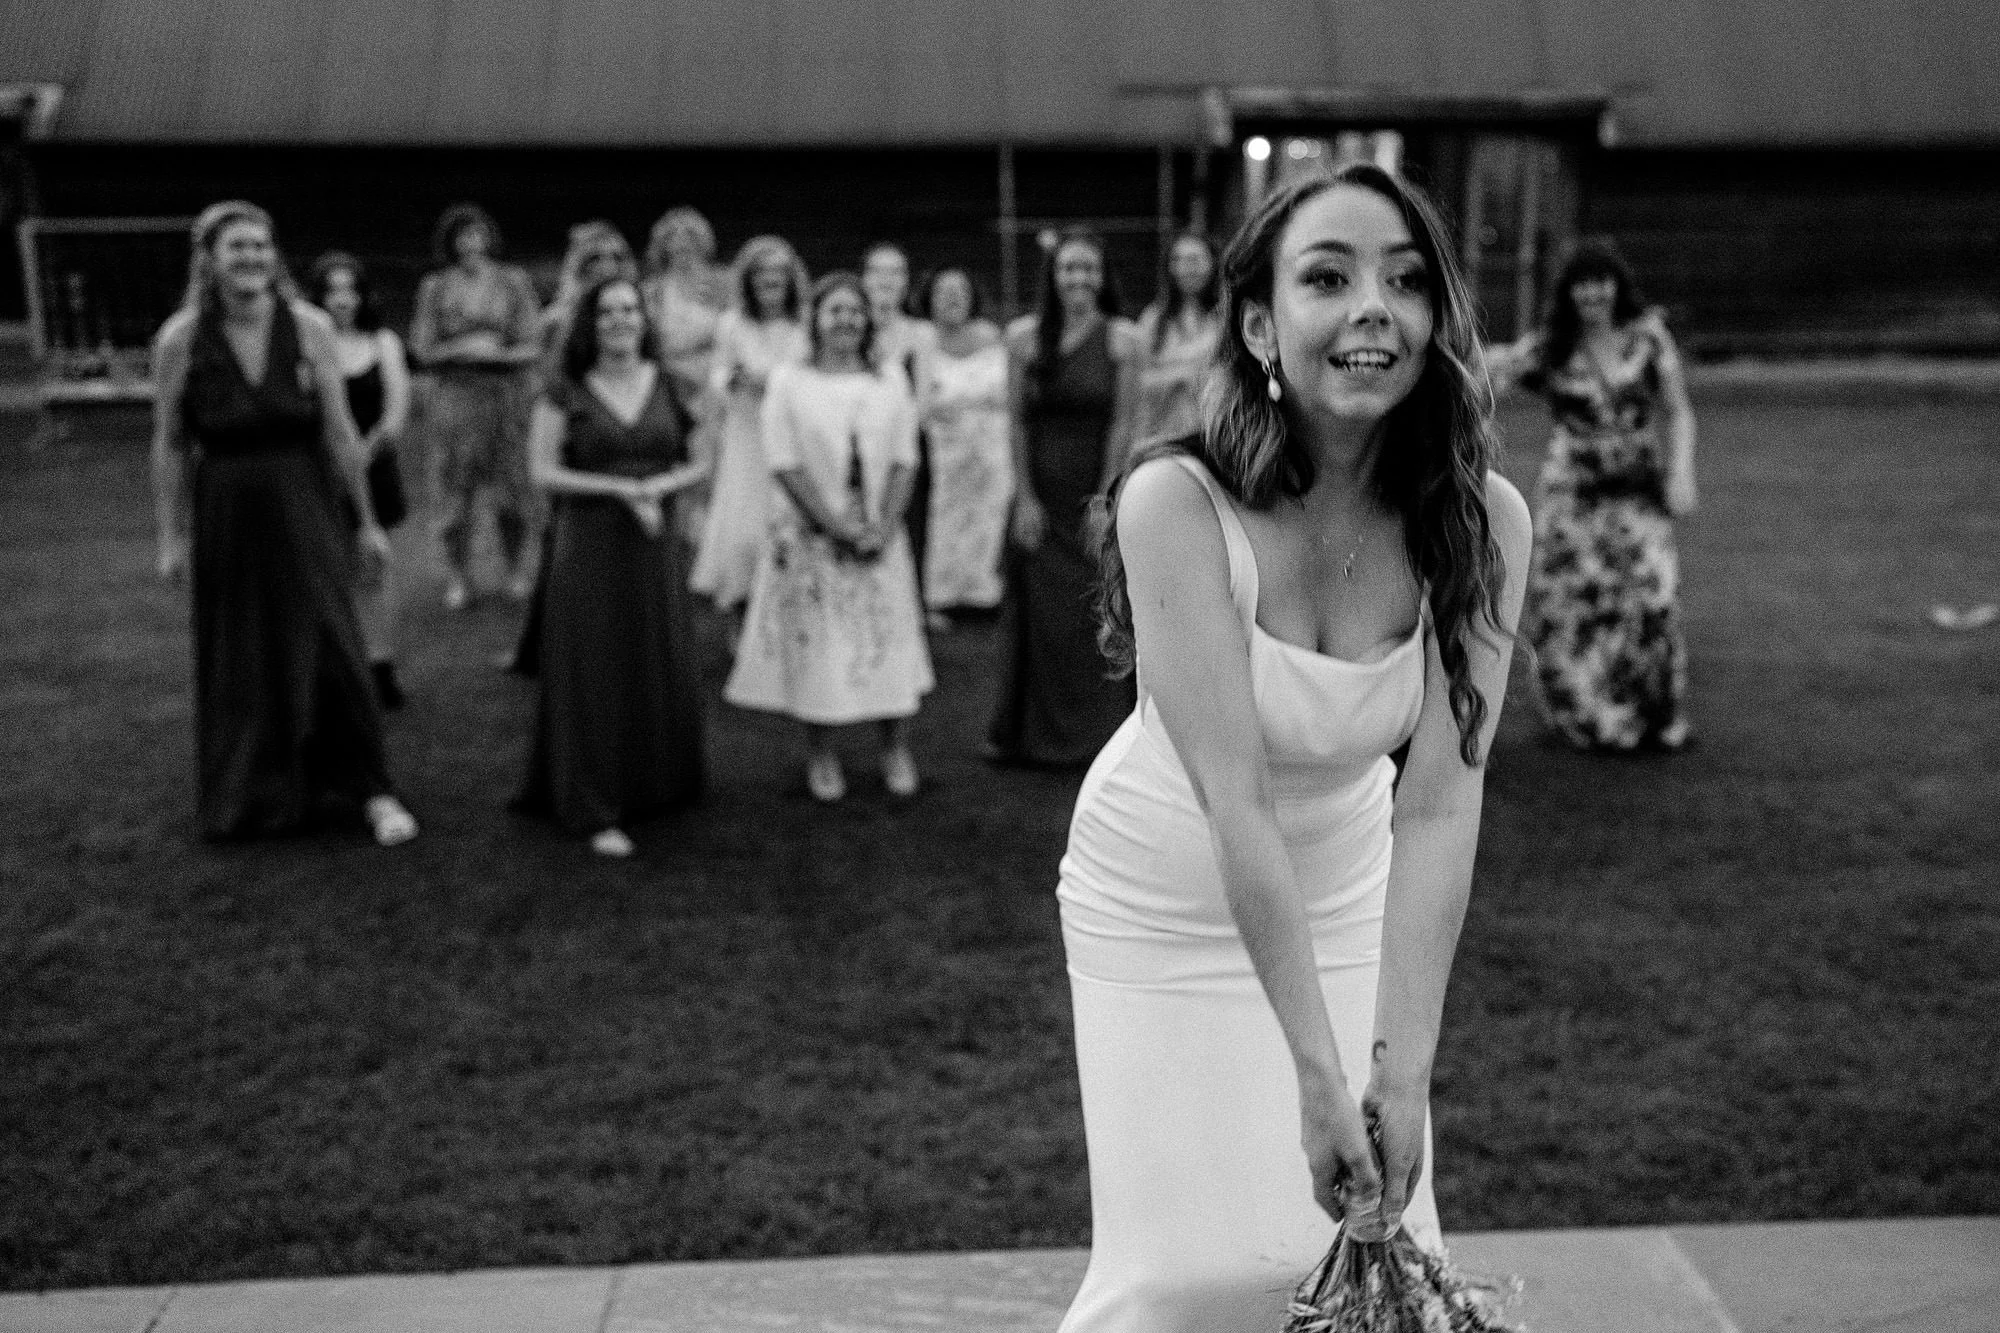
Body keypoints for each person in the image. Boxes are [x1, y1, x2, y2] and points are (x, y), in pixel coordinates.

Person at [1054, 166, 1531, 1329]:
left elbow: (1436, 805)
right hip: (1160, 896)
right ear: (1260, 323)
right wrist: (1316, 1075)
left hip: (1346, 883)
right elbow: (1235, 801)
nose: (1373, 305)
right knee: (1178, 1280)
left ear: (1436, 325)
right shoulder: (1174, 504)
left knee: (1381, 1242)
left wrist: (1397, 1067)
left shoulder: (1484, 523)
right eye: (1329, 276)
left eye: (1405, 281)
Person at [151, 202, 419, 846]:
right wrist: (171, 535)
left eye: (263, 246)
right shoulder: (180, 339)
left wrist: (365, 522)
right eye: (238, 247)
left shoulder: (309, 326)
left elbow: (339, 429)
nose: (253, 258)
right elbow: (167, 441)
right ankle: (257, 791)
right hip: (227, 511)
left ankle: (372, 790)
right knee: (242, 651)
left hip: (306, 504)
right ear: (209, 260)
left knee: (332, 642)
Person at [513, 275, 710, 856]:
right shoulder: (563, 391)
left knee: (655, 656)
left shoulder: (670, 383)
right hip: (590, 544)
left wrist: (658, 486)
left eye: (630, 310)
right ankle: (593, 801)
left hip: (653, 547)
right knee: (593, 667)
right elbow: (542, 474)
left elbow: (702, 458)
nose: (621, 321)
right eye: (607, 312)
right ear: (588, 324)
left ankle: (658, 785)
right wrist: (622, 492)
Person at [724, 273, 933, 803]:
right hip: (811, 537)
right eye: (834, 310)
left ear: (868, 320)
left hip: (880, 533)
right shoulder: (789, 381)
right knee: (820, 649)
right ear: (814, 319)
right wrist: (834, 526)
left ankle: (894, 748)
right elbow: (784, 462)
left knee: (886, 642)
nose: (846, 320)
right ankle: (822, 754)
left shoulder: (890, 378)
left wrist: (884, 525)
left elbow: (907, 458)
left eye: (855, 310)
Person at [1488, 239, 1698, 751]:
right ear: (1569, 294)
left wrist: (1681, 472)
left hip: (1637, 491)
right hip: (1573, 495)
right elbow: (1488, 373)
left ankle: (1651, 716)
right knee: (1572, 604)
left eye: (1601, 283)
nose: (1592, 294)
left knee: (1650, 596)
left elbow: (1679, 410)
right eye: (1582, 285)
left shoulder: (1648, 341)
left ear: (1616, 287)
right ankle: (1586, 718)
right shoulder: (1551, 348)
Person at [985, 229, 1139, 767]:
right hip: (1039, 495)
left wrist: (1105, 501)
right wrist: (1023, 496)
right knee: (1037, 615)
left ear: (1102, 276)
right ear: (1052, 275)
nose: (1079, 278)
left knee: (1089, 613)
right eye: (1069, 268)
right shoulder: (1023, 338)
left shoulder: (1123, 338)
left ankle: (1095, 738)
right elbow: (1016, 423)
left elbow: (1123, 424)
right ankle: (1030, 737)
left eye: (1088, 268)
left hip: (1092, 490)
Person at [506, 221, 639, 678]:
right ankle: (548, 647)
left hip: (618, 437)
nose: (605, 269)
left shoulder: (633, 314)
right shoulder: (558, 320)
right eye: (594, 262)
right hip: (570, 436)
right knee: (560, 544)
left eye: (614, 260)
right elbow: (542, 385)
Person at [408, 202, 542, 611]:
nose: (470, 243)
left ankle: (517, 569)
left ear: (488, 238)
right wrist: (463, 348)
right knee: (454, 494)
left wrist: (498, 355)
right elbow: (422, 349)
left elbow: (532, 343)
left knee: (513, 491)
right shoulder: (436, 287)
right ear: (450, 243)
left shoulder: (512, 282)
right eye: (461, 236)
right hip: (455, 398)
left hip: (505, 397)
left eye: (477, 234)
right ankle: (458, 576)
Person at [307, 251, 414, 710]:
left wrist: (367, 451)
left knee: (376, 568)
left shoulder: (383, 341)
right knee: (327, 570)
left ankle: (380, 665)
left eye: (350, 289)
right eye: (332, 291)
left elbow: (397, 408)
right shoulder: (307, 341)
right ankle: (333, 669)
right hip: (319, 470)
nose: (342, 300)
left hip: (375, 464)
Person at [689, 235, 810, 615]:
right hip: (746, 434)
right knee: (744, 530)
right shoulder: (731, 324)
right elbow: (717, 376)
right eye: (761, 276)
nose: (769, 283)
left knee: (789, 519)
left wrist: (774, 384)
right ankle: (741, 610)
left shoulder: (805, 323)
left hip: (795, 436)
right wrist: (735, 381)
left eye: (778, 275)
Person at [914, 266, 1010, 616]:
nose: (953, 297)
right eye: (944, 291)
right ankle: (939, 597)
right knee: (944, 522)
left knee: (988, 522)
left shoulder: (991, 337)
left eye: (960, 290)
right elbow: (919, 405)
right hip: (943, 456)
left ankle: (983, 595)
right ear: (930, 299)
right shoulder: (922, 341)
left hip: (992, 454)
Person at [861, 243, 941, 617]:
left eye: (896, 272)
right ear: (864, 278)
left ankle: (912, 608)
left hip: (907, 445)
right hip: (857, 447)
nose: (887, 280)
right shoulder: (853, 329)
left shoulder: (921, 333)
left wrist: (896, 441)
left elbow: (923, 398)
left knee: (911, 524)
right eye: (879, 271)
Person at [640, 208, 729, 542]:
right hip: (670, 387)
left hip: (714, 387)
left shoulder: (722, 284)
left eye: (689, 241)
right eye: (673, 244)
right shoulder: (653, 292)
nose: (681, 249)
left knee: (713, 465)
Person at [1122, 229, 1223, 450]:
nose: (1187, 268)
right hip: (1162, 440)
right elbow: (1137, 384)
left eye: (1195, 260)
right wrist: (1182, 375)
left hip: (1218, 438)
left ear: (1212, 263)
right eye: (1179, 260)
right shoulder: (1154, 319)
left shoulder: (1227, 318)